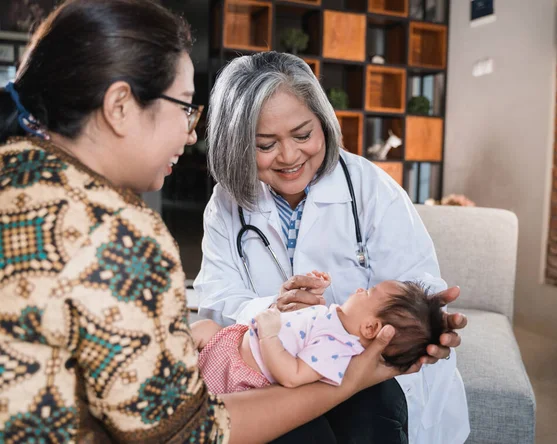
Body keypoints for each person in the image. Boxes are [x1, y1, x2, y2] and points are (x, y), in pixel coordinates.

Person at [0, 1, 404, 443]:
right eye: (184, 108)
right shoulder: (113, 232)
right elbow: (187, 433)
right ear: (119, 106)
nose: (191, 133)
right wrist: (349, 380)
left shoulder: (18, 170)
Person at [195, 50, 470, 443]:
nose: (289, 157)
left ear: (323, 122)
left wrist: (427, 319)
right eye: (265, 144)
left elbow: (412, 283)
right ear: (236, 144)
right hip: (268, 375)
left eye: (303, 135)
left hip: (366, 373)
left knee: (370, 419)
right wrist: (272, 309)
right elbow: (216, 295)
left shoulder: (370, 189)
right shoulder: (226, 204)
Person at [192, 277, 445, 394]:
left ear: (370, 328)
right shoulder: (334, 322)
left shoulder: (338, 348)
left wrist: (269, 337)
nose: (359, 288)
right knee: (202, 328)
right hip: (232, 341)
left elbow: (293, 376)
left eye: (368, 292)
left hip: (236, 370)